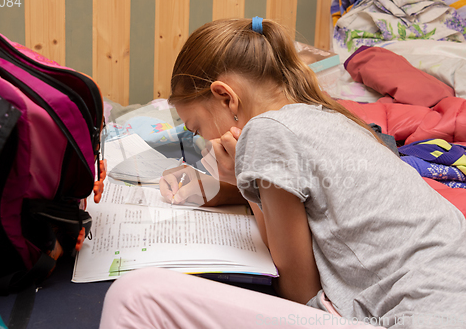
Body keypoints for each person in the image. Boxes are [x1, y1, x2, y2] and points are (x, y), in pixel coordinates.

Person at [99, 17, 466, 329]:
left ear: (226, 97)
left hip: (422, 314)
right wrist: (224, 187)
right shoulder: (327, 117)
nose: (203, 142)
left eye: (196, 128)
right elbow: (315, 197)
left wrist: (245, 176)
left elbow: (299, 291)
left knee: (135, 295)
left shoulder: (267, 132)